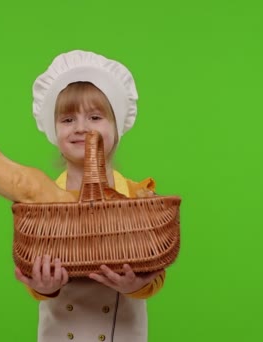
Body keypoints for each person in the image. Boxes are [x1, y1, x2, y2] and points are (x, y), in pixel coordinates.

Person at [14, 50, 167, 342]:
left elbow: (157, 277)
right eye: (68, 119)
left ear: (116, 128)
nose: (81, 128)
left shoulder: (139, 197)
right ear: (53, 129)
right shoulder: (41, 205)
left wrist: (134, 284)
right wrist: (44, 286)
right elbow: (34, 277)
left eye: (95, 117)